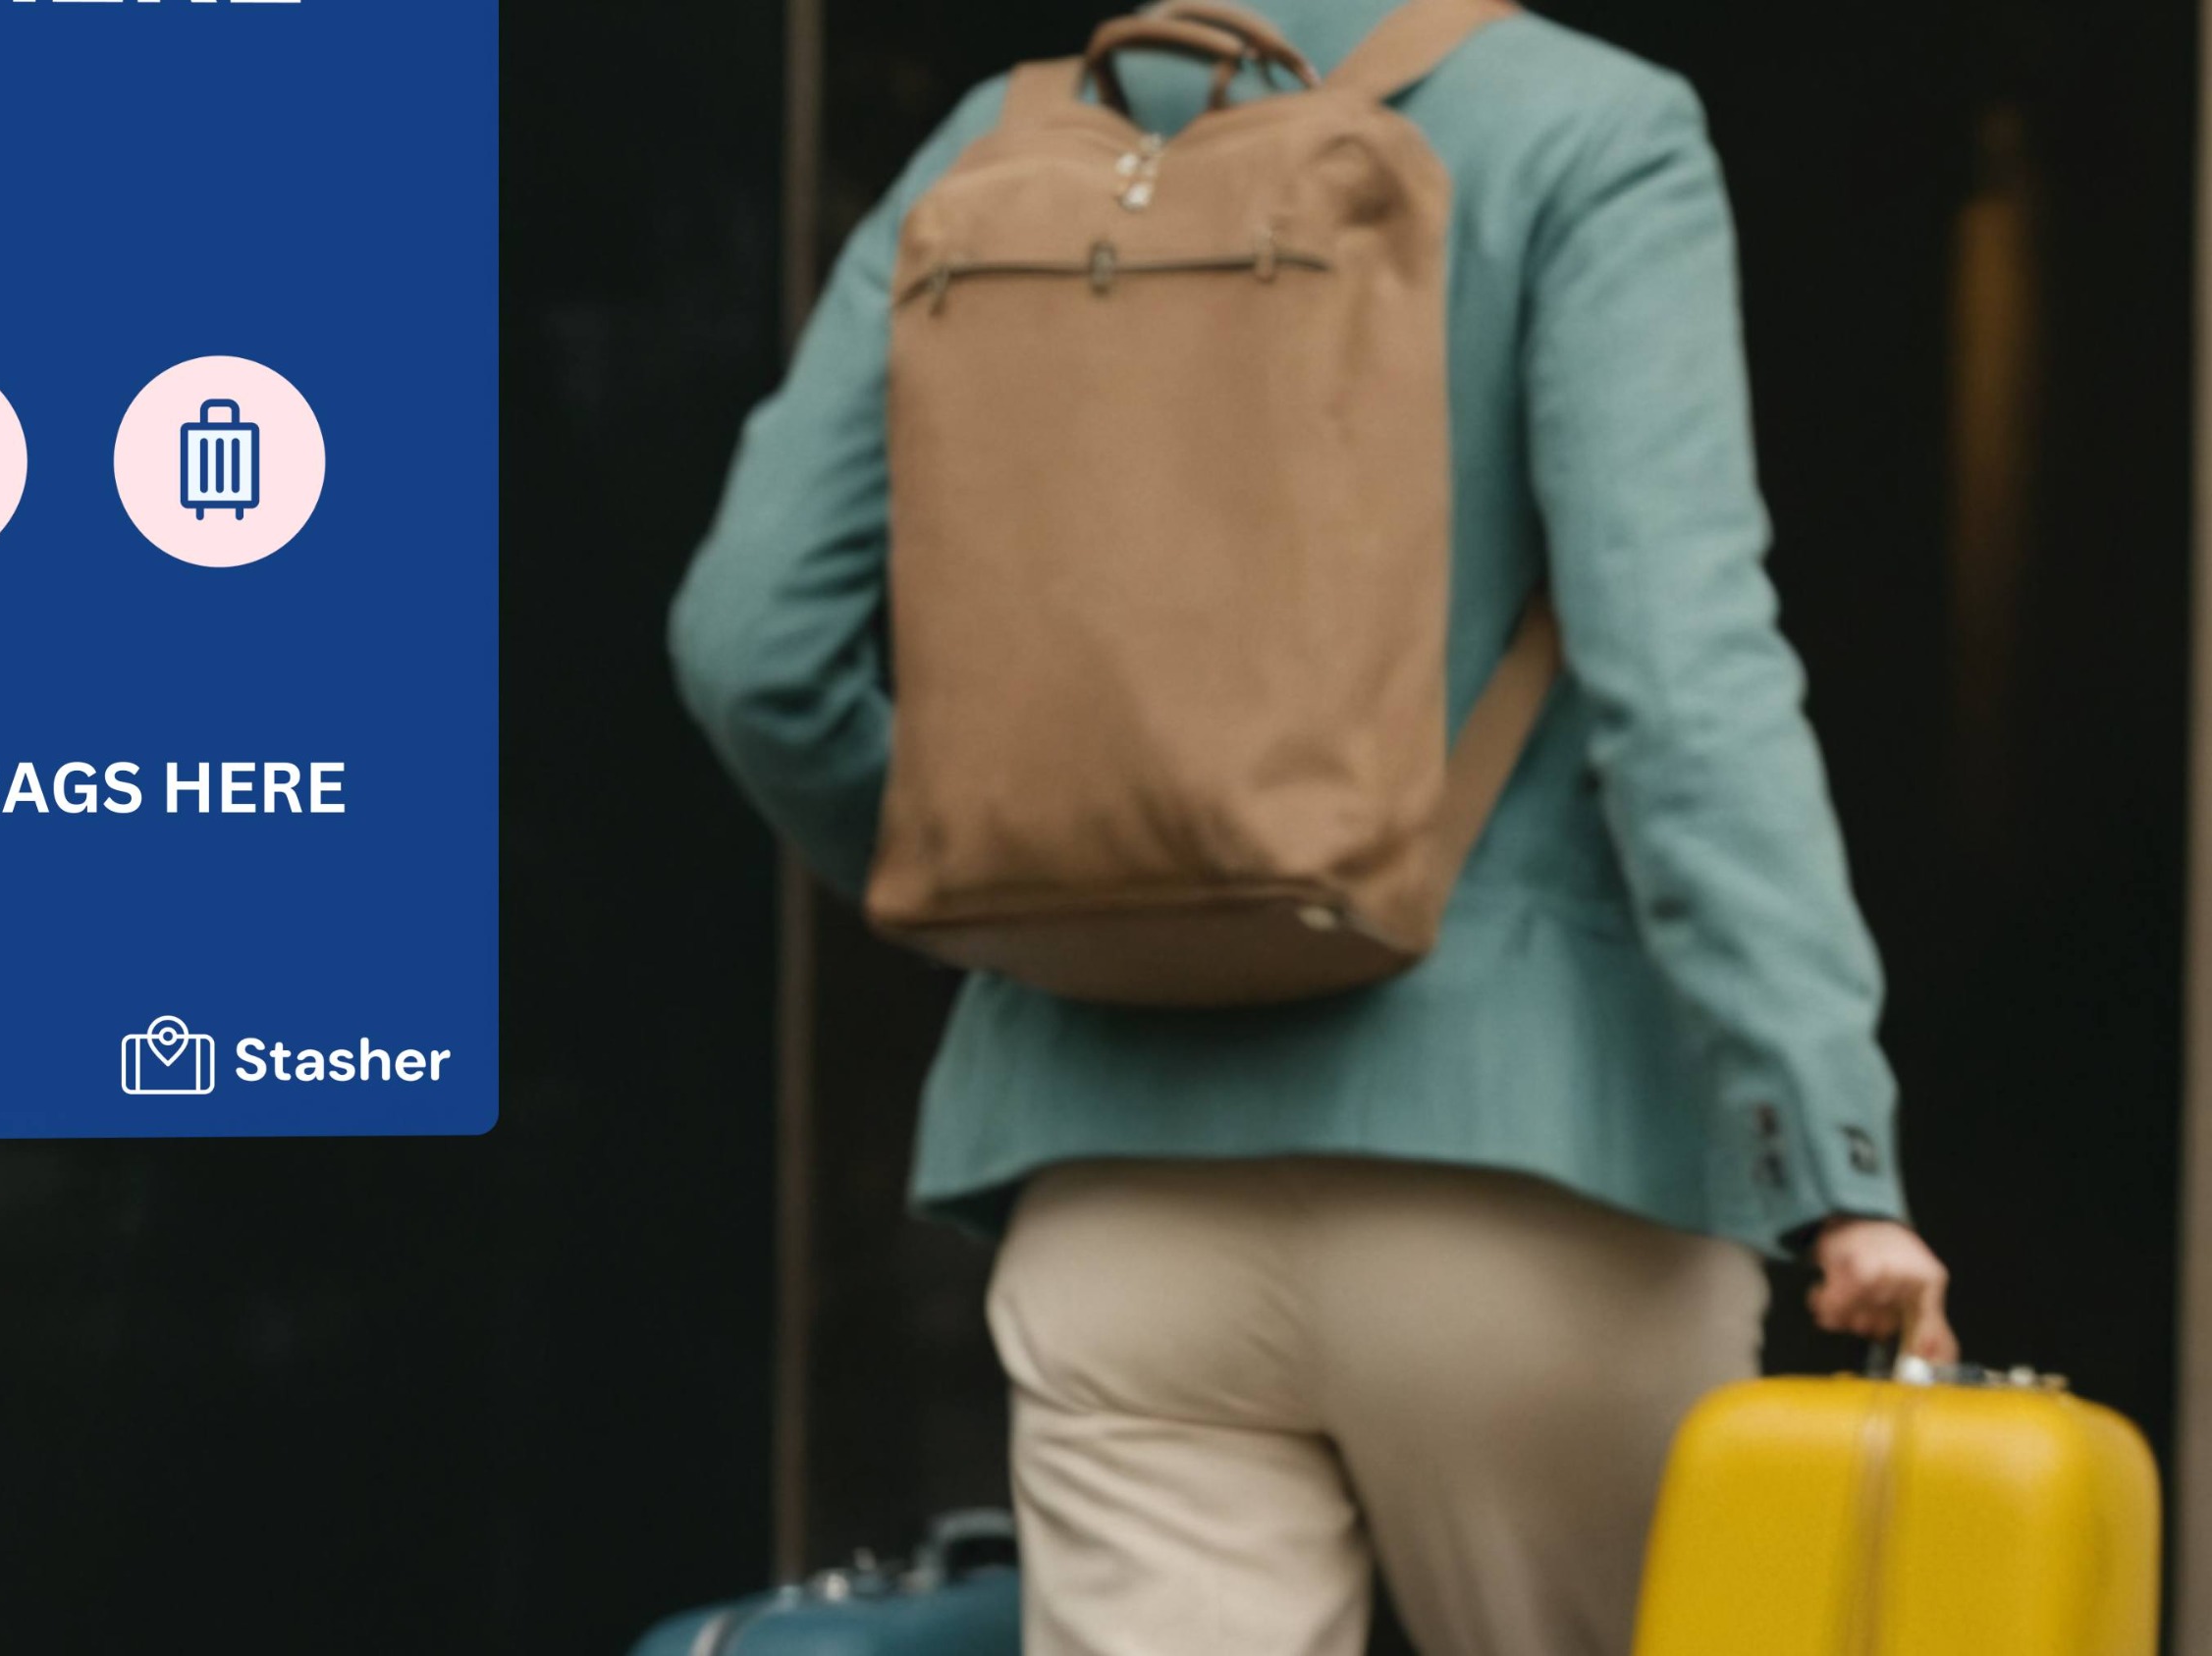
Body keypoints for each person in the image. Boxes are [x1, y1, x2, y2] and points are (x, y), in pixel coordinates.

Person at [668, 0, 1957, 1652]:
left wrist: (1037, 916)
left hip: (1115, 1202)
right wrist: (1829, 1152)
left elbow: (752, 640)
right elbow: (1680, 673)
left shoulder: (997, 147)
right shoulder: (1592, 126)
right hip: (1537, 1180)